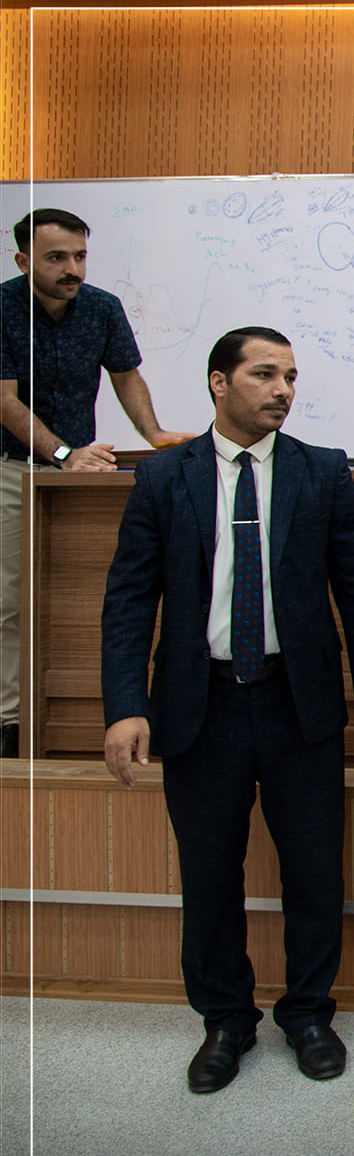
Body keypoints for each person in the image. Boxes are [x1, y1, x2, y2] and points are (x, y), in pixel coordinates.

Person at [99, 326, 354, 1093]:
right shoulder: (163, 478)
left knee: (313, 870)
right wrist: (125, 705)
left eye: (290, 376)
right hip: (200, 705)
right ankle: (226, 1019)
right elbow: (129, 599)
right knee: (209, 876)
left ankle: (308, 1014)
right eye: (265, 374)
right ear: (218, 382)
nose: (283, 390)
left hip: (299, 702)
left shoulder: (321, 471)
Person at [2, 208, 193, 758]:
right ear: (24, 261)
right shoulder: (2, 307)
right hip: (14, 466)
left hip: (78, 475)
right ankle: (9, 722)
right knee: (11, 599)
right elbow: (4, 401)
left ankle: (79, 715)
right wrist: (62, 453)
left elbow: (126, 376)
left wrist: (153, 433)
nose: (72, 269)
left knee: (83, 593)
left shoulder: (102, 307)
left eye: (80, 256)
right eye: (56, 258)